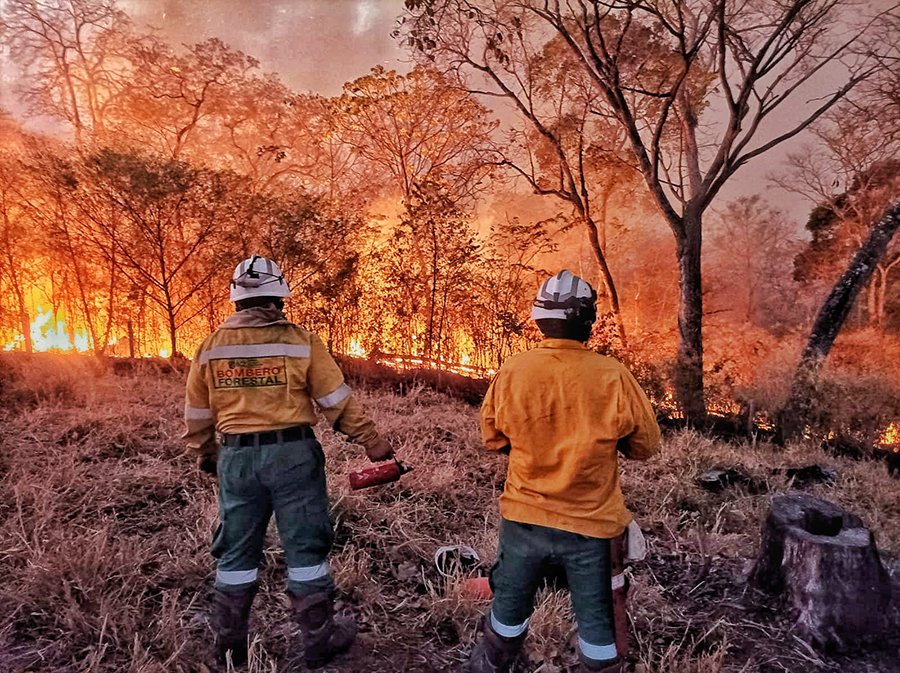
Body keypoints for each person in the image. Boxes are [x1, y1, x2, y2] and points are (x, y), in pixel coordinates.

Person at [182, 255, 394, 669]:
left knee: (236, 552)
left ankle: (230, 647)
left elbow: (197, 413)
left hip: (237, 457)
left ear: (236, 301)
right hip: (293, 456)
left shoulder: (210, 347)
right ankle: (318, 642)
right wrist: (372, 442)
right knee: (306, 546)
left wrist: (207, 455)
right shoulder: (300, 341)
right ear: (280, 297)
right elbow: (335, 400)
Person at [468, 269, 661, 673]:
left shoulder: (513, 370)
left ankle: (489, 664)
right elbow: (645, 447)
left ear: (540, 320)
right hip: (592, 527)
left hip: (523, 519)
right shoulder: (614, 376)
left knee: (507, 611)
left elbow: (492, 438)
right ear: (587, 322)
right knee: (596, 624)